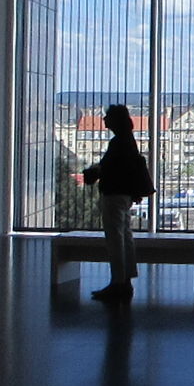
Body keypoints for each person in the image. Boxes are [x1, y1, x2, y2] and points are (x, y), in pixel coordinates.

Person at [82, 104, 155, 302]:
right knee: (125, 238)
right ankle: (125, 281)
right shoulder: (128, 141)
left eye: (107, 117)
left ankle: (117, 283)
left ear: (115, 120)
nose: (104, 120)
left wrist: (94, 172)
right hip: (124, 196)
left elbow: (108, 167)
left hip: (114, 194)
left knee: (115, 239)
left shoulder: (118, 143)